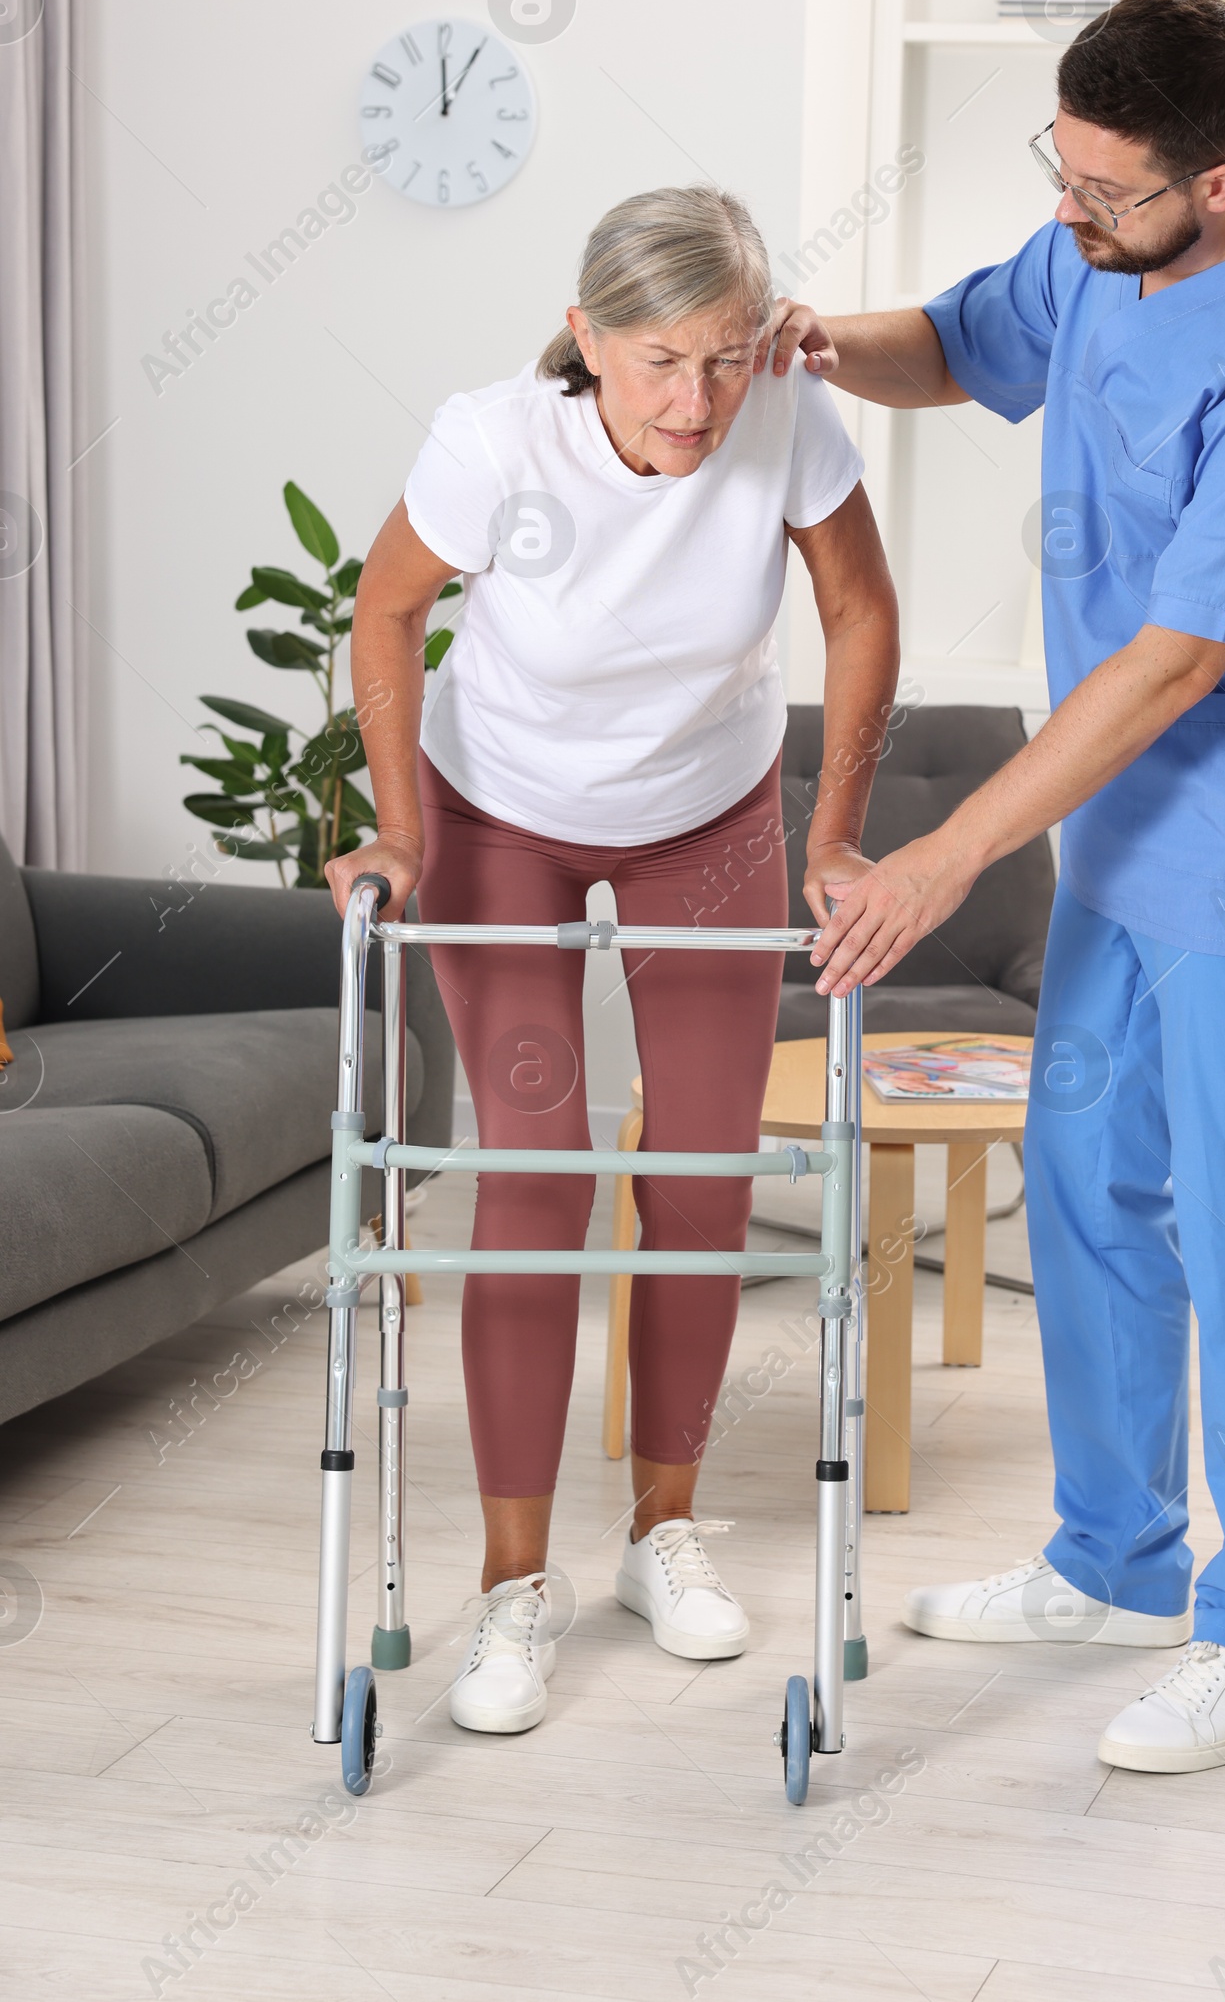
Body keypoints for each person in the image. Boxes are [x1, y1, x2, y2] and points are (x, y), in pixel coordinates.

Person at [762, 0, 1225, 1774]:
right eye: (1061, 169)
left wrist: (951, 852)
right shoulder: (1094, 256)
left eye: (1110, 191)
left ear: (1219, 179)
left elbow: (1180, 662)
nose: (1070, 212)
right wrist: (805, 342)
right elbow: (955, 346)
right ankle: (1116, 1557)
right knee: (1090, 1173)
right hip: (1121, 821)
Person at [328, 185, 897, 1736]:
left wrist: (833, 831)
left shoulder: (782, 414)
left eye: (723, 358)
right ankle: (518, 1585)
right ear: (588, 338)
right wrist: (394, 830)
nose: (693, 400)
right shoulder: (494, 439)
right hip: (499, 812)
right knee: (533, 1175)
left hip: (706, 821)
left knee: (704, 1168)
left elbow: (859, 611)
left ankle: (662, 1529)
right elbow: (388, 617)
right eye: (657, 362)